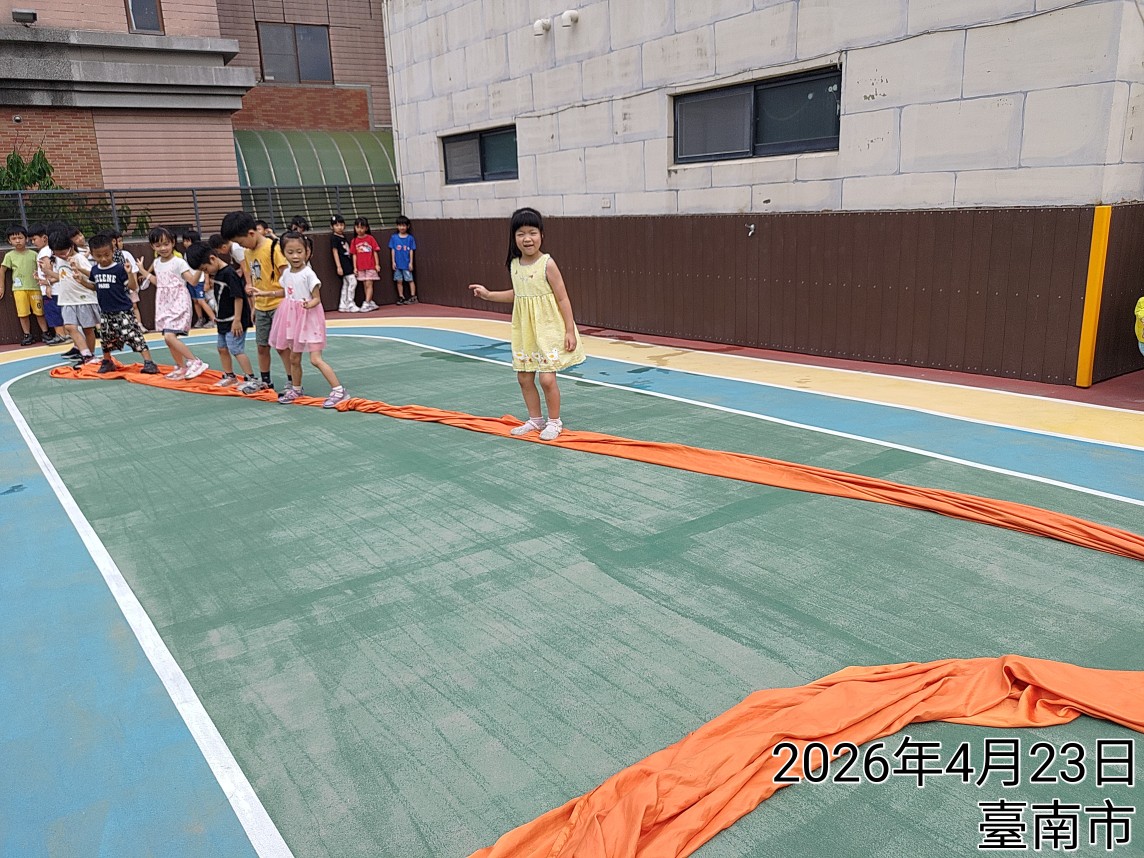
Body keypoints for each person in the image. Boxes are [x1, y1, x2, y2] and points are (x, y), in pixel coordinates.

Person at [468, 207, 585, 441]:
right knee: (523, 377)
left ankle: (554, 422)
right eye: (521, 233)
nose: (527, 238)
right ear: (514, 237)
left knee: (547, 378)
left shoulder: (547, 264)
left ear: (541, 234)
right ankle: (535, 420)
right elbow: (519, 294)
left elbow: (563, 298)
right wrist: (489, 295)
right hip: (526, 331)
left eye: (532, 232)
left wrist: (569, 330)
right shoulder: (514, 265)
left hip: (548, 328)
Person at [260, 231, 347, 408]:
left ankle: (339, 390)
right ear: (283, 253)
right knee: (294, 358)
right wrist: (265, 293)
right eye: (290, 252)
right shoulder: (286, 274)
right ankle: (296, 389)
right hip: (293, 319)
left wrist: (308, 304)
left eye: (299, 251)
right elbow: (286, 291)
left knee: (315, 359)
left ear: (307, 252)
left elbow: (317, 298)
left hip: (309, 319)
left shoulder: (309, 274)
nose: (295, 256)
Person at [220, 210, 287, 393]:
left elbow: (287, 280)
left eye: (241, 242)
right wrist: (254, 305)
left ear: (251, 233)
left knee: (282, 347)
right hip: (262, 306)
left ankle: (292, 381)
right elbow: (254, 280)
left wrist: (276, 296)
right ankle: (265, 381)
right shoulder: (248, 252)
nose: (241, 246)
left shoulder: (274, 248)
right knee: (262, 346)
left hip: (279, 304)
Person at [186, 241, 256, 389]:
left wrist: (237, 320)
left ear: (212, 259)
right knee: (222, 347)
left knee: (236, 348)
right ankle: (229, 376)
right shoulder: (217, 273)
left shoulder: (229, 274)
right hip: (223, 318)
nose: (206, 272)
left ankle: (251, 378)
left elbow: (238, 297)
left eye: (205, 269)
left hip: (235, 319)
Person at [87, 232, 159, 374]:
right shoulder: (95, 270)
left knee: (134, 335)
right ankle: (107, 361)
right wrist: (81, 280)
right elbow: (94, 286)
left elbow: (132, 286)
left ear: (113, 251)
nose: (103, 259)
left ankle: (149, 362)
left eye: (107, 254)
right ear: (92, 255)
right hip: (105, 311)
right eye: (99, 256)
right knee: (106, 338)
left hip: (123, 310)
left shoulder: (119, 269)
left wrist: (130, 273)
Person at [143, 227, 208, 380]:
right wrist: (142, 271)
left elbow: (192, 281)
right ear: (152, 246)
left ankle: (194, 361)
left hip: (179, 301)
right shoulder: (156, 263)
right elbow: (159, 282)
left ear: (173, 243)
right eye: (158, 245)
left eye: (166, 244)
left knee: (169, 336)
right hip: (164, 304)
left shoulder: (179, 262)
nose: (163, 248)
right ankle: (181, 366)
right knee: (167, 338)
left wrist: (200, 268)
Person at [45, 230, 101, 368]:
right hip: (67, 300)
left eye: (63, 253)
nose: (61, 256)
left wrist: (78, 268)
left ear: (71, 246)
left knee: (88, 329)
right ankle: (86, 354)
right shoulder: (59, 259)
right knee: (70, 327)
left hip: (84, 299)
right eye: (57, 254)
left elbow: (92, 275)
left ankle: (90, 355)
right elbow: (63, 276)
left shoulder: (79, 258)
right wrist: (47, 274)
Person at [1, 225, 51, 345]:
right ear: (9, 241)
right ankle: (27, 335)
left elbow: (43, 269)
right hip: (19, 290)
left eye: (20, 237)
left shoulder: (34, 254)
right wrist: (1, 286)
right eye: (14, 239)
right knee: (23, 313)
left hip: (35, 287)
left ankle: (45, 333)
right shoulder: (9, 256)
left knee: (39, 312)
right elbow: (2, 270)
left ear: (26, 239)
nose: (17, 241)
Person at [31, 224, 70, 347]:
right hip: (58, 288)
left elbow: (48, 268)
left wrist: (48, 285)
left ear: (45, 238)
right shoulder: (52, 250)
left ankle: (60, 335)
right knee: (61, 311)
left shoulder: (44, 251)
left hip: (52, 290)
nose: (33, 242)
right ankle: (67, 334)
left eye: (34, 239)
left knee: (53, 312)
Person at [349, 217, 381, 311]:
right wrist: (355, 267)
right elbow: (354, 255)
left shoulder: (370, 238)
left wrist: (377, 264)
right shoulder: (354, 241)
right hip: (360, 267)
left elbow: (375, 251)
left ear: (366, 228)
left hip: (370, 266)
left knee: (369, 284)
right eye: (357, 227)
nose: (360, 230)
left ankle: (367, 302)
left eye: (362, 227)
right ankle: (369, 301)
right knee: (364, 284)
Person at [329, 215, 359, 312]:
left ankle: (343, 304)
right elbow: (335, 252)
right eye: (336, 225)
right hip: (343, 264)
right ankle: (350, 303)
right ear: (332, 227)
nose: (339, 227)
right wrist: (339, 266)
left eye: (341, 225)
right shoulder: (334, 238)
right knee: (353, 282)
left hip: (348, 262)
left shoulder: (343, 237)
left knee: (346, 284)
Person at [388, 215, 418, 305]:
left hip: (406, 264)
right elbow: (393, 250)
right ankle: (401, 296)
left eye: (404, 225)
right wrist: (393, 262)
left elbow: (411, 250)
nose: (402, 227)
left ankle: (413, 296)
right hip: (398, 264)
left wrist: (411, 263)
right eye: (400, 225)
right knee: (399, 281)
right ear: (397, 226)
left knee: (410, 279)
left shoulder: (410, 238)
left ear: (408, 226)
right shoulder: (394, 238)